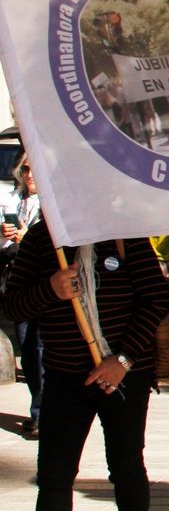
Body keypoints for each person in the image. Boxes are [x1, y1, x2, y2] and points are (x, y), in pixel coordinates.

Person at [3, 221, 169, 510]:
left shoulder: (122, 234)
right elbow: (12, 306)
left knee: (126, 467)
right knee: (55, 474)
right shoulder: (42, 237)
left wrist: (123, 359)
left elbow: (156, 298)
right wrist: (50, 289)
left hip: (125, 377)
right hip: (63, 376)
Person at [2, 155, 43, 435]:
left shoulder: (54, 204)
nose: (29, 174)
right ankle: (39, 408)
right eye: (25, 169)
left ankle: (43, 413)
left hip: (46, 286)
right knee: (27, 350)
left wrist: (27, 237)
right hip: (18, 284)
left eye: (35, 168)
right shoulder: (12, 201)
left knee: (41, 350)